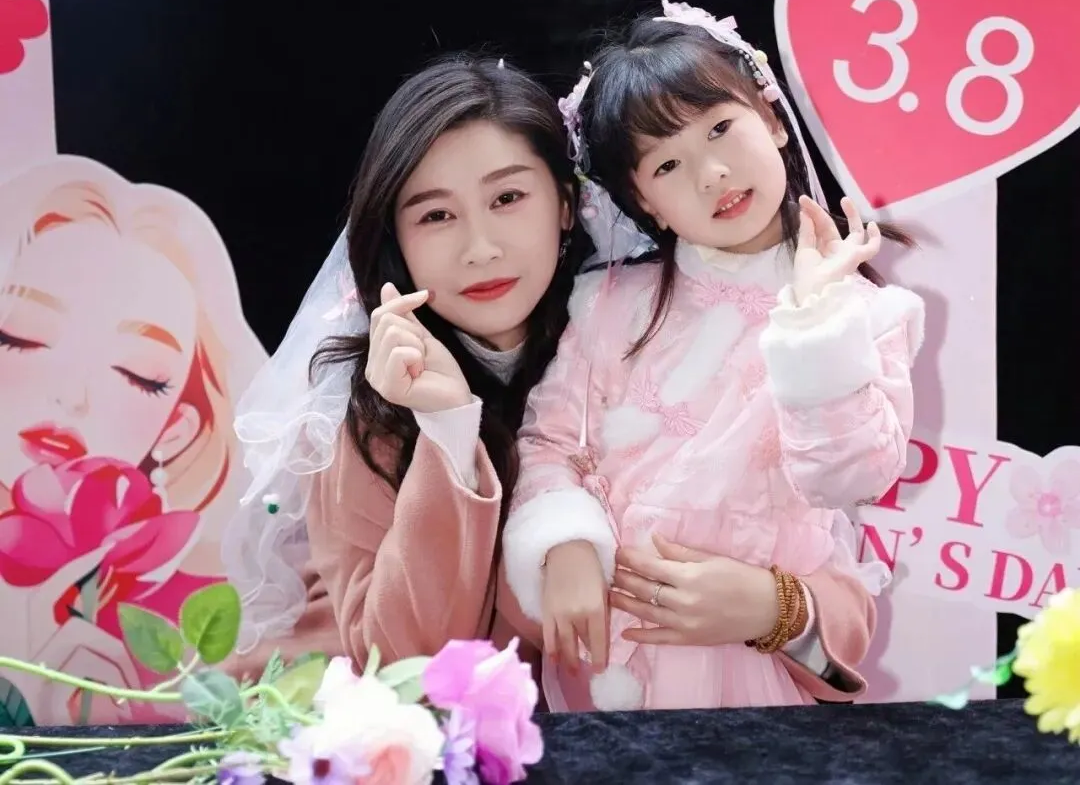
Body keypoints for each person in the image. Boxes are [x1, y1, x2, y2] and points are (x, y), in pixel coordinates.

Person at [224, 55, 881, 702]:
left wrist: (778, 608)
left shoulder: (631, 336)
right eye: (436, 215)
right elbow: (405, 664)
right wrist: (447, 429)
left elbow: (823, 576)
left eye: (508, 198)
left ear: (567, 205)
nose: (481, 248)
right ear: (395, 237)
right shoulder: (372, 407)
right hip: (387, 733)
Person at [503, 1, 922, 711]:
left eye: (721, 128)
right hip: (608, 663)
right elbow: (549, 441)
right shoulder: (608, 304)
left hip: (743, 671)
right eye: (668, 163)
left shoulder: (860, 315)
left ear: (773, 119)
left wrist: (814, 319)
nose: (712, 174)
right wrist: (565, 540)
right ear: (645, 204)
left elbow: (851, 477)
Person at [0, 156, 266, 723]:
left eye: (138, 374)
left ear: (178, 427)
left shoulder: (206, 625)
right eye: (22, 337)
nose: (71, 394)